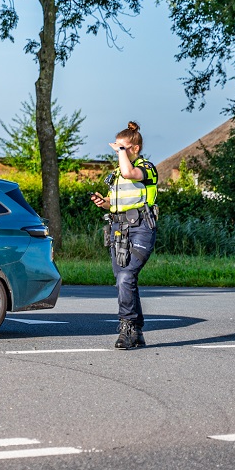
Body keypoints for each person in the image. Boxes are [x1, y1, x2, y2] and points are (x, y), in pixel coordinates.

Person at [89, 121, 158, 349]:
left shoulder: (147, 168)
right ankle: (137, 331)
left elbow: (130, 173)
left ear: (135, 149)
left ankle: (126, 328)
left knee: (125, 277)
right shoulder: (117, 173)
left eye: (123, 148)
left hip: (141, 229)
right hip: (119, 231)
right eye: (116, 148)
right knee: (124, 281)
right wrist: (104, 203)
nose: (119, 152)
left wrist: (120, 152)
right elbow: (116, 203)